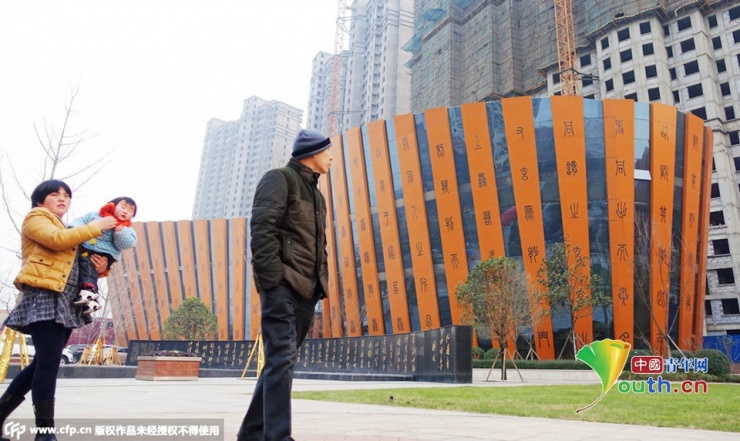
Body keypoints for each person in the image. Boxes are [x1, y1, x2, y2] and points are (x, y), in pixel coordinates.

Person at [0, 179, 117, 441]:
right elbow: (55, 241)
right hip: (45, 295)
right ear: (40, 200)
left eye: (66, 195)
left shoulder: (68, 228)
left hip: (65, 300)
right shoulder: (36, 217)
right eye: (55, 194)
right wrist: (96, 226)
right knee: (48, 365)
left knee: (43, 363)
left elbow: (77, 262)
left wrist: (101, 268)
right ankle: (44, 432)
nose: (62, 198)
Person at [237, 129, 332, 441]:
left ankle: (251, 433)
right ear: (312, 152)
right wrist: (272, 280)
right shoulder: (279, 179)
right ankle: (278, 436)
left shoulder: (317, 195)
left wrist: (320, 281)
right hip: (282, 285)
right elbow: (262, 229)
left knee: (280, 361)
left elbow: (317, 243)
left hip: (308, 289)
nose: (331, 157)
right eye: (327, 151)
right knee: (282, 359)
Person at [67, 197, 138, 315]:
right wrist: (77, 227)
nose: (126, 211)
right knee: (84, 266)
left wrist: (120, 232)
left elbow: (127, 244)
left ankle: (88, 290)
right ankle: (91, 302)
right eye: (123, 207)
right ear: (112, 205)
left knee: (86, 264)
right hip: (87, 248)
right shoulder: (95, 216)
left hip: (105, 253)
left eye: (131, 211)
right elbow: (80, 221)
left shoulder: (126, 228)